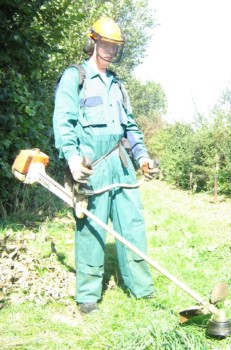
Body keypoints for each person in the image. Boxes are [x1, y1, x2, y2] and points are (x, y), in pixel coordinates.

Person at [53, 17, 157, 314]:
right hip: (92, 165)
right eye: (105, 44)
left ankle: (140, 288)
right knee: (91, 228)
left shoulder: (117, 85)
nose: (110, 51)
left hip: (122, 165)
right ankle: (88, 295)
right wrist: (72, 158)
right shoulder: (75, 78)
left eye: (115, 46)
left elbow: (131, 128)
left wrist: (143, 157)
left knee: (132, 225)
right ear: (93, 42)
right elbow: (64, 122)